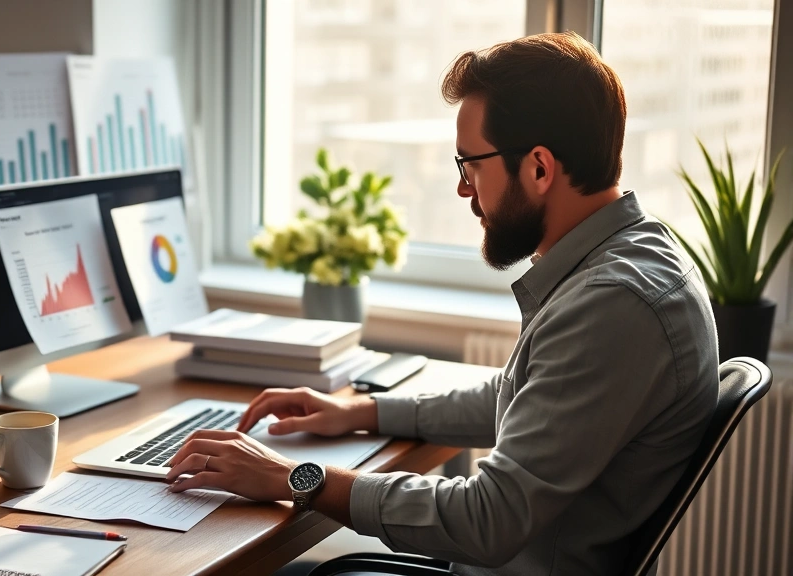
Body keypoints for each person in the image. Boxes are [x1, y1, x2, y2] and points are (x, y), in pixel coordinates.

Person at [166, 31, 719, 575]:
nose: (463, 189)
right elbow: (526, 397)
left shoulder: (612, 306)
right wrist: (362, 412)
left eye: (471, 165)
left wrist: (294, 477)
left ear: (539, 168)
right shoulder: (634, 253)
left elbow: (488, 519)